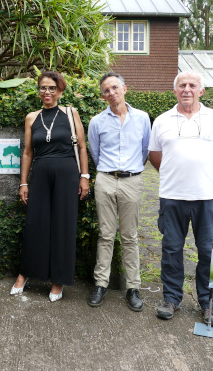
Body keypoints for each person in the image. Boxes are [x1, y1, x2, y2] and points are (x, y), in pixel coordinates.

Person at [149, 70, 213, 326]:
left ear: (201, 91)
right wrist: (178, 174)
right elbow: (155, 156)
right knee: (171, 249)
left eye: (192, 85)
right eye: (181, 85)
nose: (186, 89)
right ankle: (171, 299)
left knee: (208, 251)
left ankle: (208, 304)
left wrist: (203, 178)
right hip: (172, 196)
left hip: (207, 197)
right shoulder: (162, 120)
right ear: (175, 91)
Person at [11, 71, 90, 302]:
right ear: (39, 90)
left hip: (67, 174)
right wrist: (24, 182)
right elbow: (27, 152)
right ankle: (24, 274)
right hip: (40, 173)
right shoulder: (31, 117)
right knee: (35, 224)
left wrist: (84, 176)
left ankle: (58, 280)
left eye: (52, 88)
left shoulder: (70, 112)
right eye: (43, 88)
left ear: (60, 91)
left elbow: (82, 147)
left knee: (63, 226)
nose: (47, 92)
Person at [87, 72, 151, 311]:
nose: (111, 93)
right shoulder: (97, 122)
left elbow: (145, 150)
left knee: (130, 236)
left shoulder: (143, 118)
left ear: (125, 88)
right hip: (105, 179)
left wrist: (131, 171)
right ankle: (100, 284)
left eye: (115, 88)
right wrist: (108, 173)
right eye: (106, 90)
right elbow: (96, 152)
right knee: (105, 234)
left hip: (132, 181)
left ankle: (133, 287)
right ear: (103, 96)